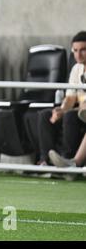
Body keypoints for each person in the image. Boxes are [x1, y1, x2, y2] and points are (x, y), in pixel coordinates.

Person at [37, 32, 86, 165]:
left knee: (70, 115)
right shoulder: (76, 69)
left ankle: (66, 159)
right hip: (78, 110)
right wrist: (61, 110)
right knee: (45, 115)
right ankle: (46, 161)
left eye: (83, 50)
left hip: (82, 113)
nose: (78, 55)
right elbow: (70, 97)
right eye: (75, 51)